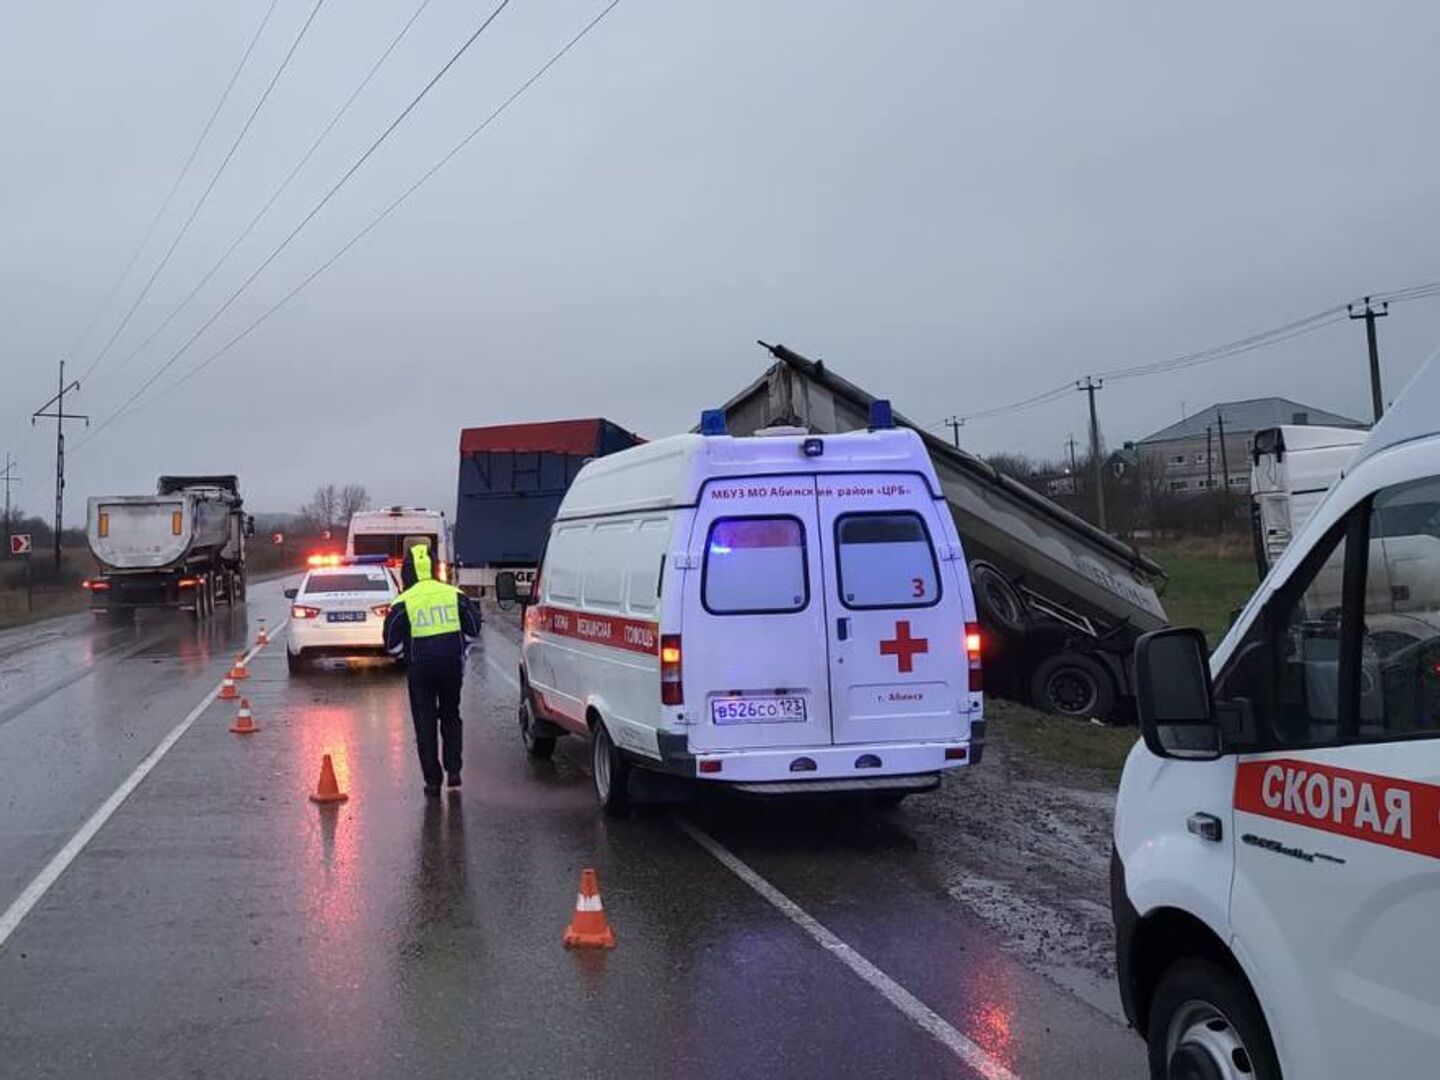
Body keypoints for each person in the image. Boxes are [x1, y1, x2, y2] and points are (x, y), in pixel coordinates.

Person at [384, 544, 480, 796]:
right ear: (436, 568)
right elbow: (472, 627)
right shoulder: (454, 594)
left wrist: (407, 654)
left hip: (420, 669)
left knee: (424, 722)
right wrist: (461, 648)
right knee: (450, 714)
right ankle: (454, 770)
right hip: (451, 665)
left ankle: (432, 781)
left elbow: (391, 645)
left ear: (407, 573)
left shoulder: (402, 602)